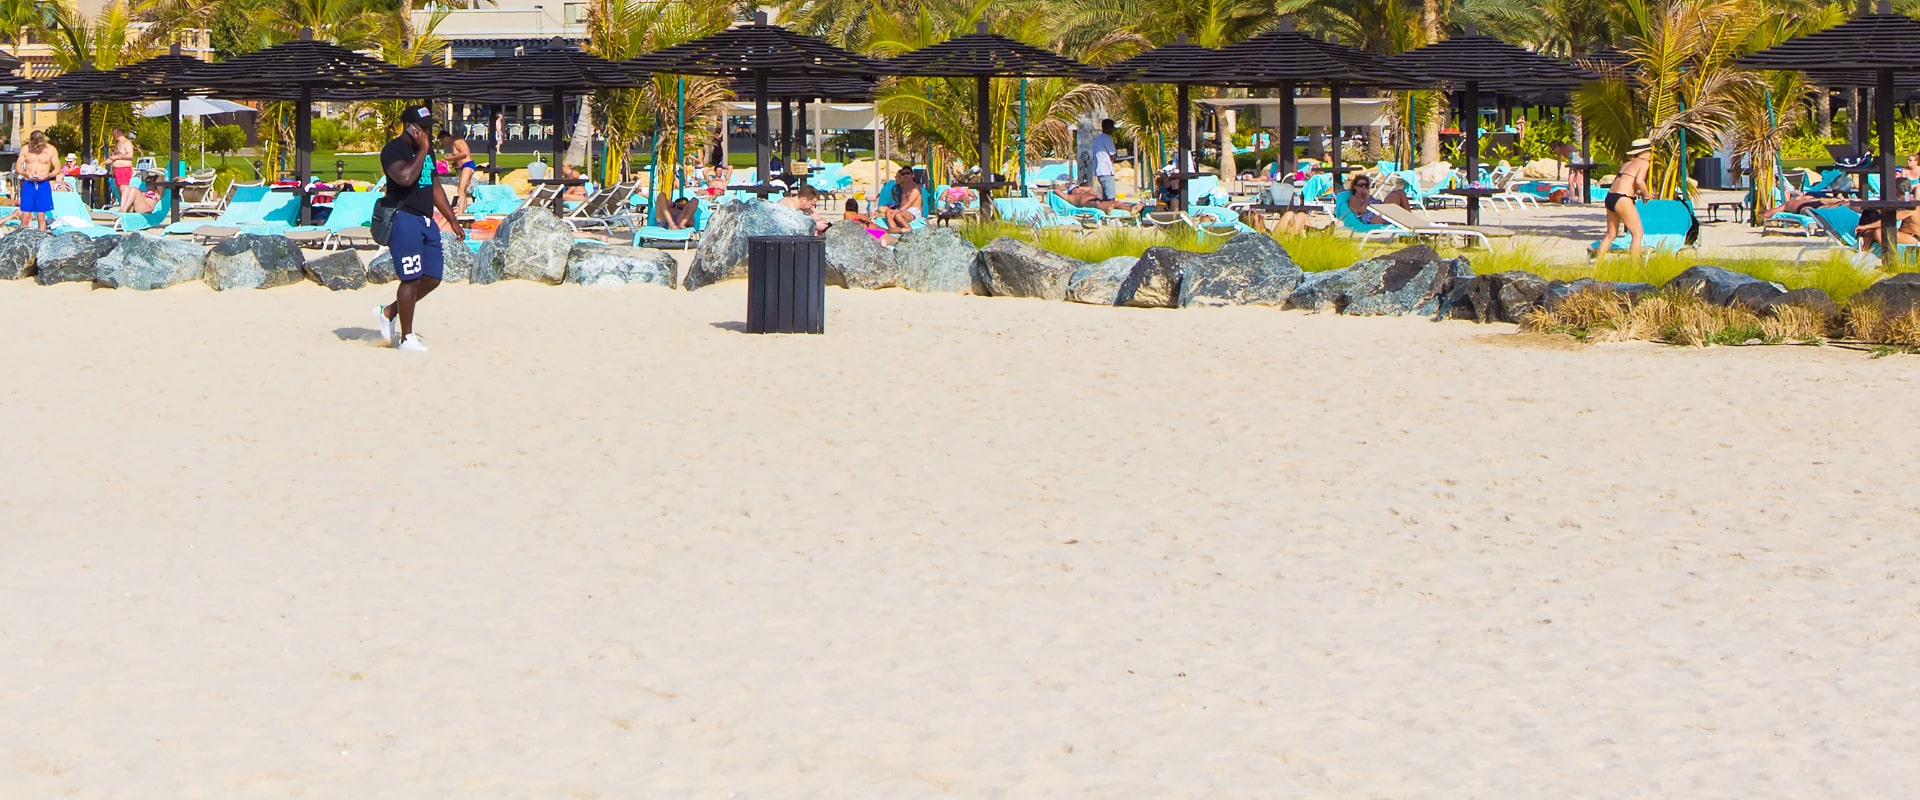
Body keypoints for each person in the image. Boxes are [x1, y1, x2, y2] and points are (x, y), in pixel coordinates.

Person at [375, 107, 464, 353]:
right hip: (404, 219)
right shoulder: (393, 150)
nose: (427, 133)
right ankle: (407, 337)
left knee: (433, 277)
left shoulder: (428, 151)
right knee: (411, 277)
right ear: (410, 127)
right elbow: (404, 178)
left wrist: (452, 220)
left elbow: (434, 186)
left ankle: (389, 312)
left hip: (426, 220)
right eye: (423, 128)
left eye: (429, 128)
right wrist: (423, 149)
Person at [1600, 138, 1653, 261]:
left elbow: (1626, 183)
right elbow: (1639, 181)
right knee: (1637, 234)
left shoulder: (1627, 164)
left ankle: (1597, 265)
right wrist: (1646, 196)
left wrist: (1640, 192)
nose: (1651, 154)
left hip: (1610, 197)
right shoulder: (1643, 163)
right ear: (1644, 152)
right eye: (1649, 151)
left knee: (1611, 235)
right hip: (1622, 198)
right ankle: (1635, 267)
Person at [14, 130, 59, 231]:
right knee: (25, 216)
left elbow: (57, 168)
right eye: (34, 146)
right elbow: (18, 167)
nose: (36, 148)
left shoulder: (51, 150)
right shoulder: (25, 149)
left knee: (41, 216)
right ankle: (21, 237)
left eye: (39, 146)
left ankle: (41, 237)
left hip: (43, 183)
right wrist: (26, 174)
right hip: (29, 183)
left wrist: (48, 175)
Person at [438, 130, 476, 213]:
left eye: (442, 141)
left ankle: (461, 212)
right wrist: (452, 165)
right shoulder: (454, 143)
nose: (443, 144)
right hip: (465, 166)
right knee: (463, 190)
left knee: (460, 190)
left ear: (445, 137)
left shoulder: (457, 141)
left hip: (468, 166)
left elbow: (464, 153)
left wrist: (450, 157)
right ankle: (464, 210)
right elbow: (460, 158)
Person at [1054, 180, 1138, 214]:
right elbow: (1056, 191)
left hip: (1098, 200)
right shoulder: (1070, 197)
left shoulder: (1086, 192)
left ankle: (1130, 209)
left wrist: (1079, 187)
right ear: (1070, 192)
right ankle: (1105, 210)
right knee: (1097, 203)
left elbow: (1090, 188)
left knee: (1117, 202)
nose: (1076, 190)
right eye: (1073, 189)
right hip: (1090, 203)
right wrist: (1065, 188)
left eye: (1076, 188)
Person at [881, 167, 922, 233]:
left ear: (913, 175)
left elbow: (910, 202)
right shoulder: (903, 187)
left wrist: (898, 210)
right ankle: (894, 230)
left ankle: (908, 229)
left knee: (897, 215)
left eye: (908, 173)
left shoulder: (915, 188)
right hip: (904, 209)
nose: (905, 175)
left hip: (913, 210)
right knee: (888, 212)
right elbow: (898, 181)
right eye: (903, 174)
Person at [1091, 118, 1120, 202]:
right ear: (1107, 127)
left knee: (1105, 196)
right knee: (1111, 197)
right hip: (1106, 171)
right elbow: (1113, 154)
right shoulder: (1106, 138)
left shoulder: (1098, 139)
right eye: (1112, 128)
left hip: (1100, 171)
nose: (1112, 130)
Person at [109, 128, 137, 212]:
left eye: (114, 133)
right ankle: (128, 207)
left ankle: (123, 207)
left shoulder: (126, 142)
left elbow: (130, 155)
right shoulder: (118, 143)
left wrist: (117, 157)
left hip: (124, 169)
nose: (113, 135)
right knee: (119, 189)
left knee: (124, 188)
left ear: (119, 132)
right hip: (117, 170)